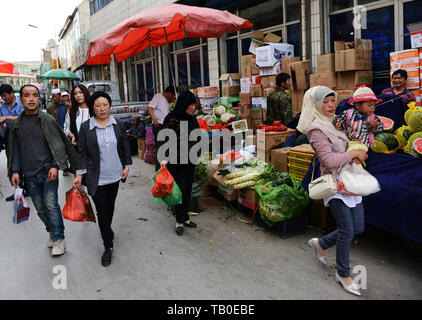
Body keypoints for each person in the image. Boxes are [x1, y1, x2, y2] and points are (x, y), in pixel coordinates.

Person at [297, 86, 368, 297]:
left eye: (332, 100)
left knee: (358, 227)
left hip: (352, 180)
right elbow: (327, 160)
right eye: (325, 102)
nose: (330, 105)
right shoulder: (316, 129)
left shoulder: (337, 122)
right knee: (347, 228)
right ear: (316, 104)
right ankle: (343, 274)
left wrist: (357, 152)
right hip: (335, 184)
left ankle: (322, 243)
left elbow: (349, 144)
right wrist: (352, 153)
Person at [7, 84, 76, 256]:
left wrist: (54, 165)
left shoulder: (47, 120)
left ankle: (59, 239)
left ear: (40, 98)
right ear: (21, 99)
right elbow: (15, 150)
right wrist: (15, 171)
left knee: (51, 206)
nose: (31, 99)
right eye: (27, 95)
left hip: (48, 173)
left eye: (35, 95)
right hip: (29, 175)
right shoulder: (16, 125)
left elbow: (58, 145)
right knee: (40, 208)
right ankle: (52, 232)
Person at [72, 91, 132, 267]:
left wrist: (127, 166)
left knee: (110, 207)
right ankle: (108, 246)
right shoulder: (85, 127)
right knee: (102, 210)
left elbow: (125, 147)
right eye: (98, 105)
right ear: (92, 108)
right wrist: (78, 174)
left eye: (105, 105)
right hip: (95, 177)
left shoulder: (117, 124)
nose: (102, 108)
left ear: (110, 106)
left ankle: (107, 229)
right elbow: (82, 152)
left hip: (114, 175)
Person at [158, 91, 199, 236]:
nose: (193, 107)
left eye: (194, 104)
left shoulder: (192, 118)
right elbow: (163, 139)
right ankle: (179, 221)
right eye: (191, 104)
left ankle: (185, 217)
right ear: (184, 104)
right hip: (175, 160)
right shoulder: (172, 118)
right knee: (180, 190)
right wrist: (163, 157)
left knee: (188, 189)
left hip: (190, 160)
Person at [334, 86, 384, 154]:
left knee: (354, 152)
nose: (372, 108)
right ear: (357, 105)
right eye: (369, 105)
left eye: (373, 105)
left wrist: (375, 126)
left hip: (362, 144)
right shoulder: (348, 113)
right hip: (347, 142)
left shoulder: (373, 117)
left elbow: (380, 129)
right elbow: (339, 118)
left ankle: (356, 160)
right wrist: (338, 123)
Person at [0, 84, 25, 201]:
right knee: (12, 161)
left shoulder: (21, 103)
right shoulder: (2, 107)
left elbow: (23, 117)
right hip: (9, 137)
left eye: (5, 96)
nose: (3, 98)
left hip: (23, 134)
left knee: (25, 161)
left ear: (11, 94)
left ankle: (27, 187)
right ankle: (17, 189)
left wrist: (6, 118)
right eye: (2, 96)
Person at [147, 85, 177, 170]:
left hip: (165, 126)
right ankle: (158, 169)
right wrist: (154, 119)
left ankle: (164, 167)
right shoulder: (158, 96)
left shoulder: (166, 101)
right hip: (158, 126)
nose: (173, 97)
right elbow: (149, 108)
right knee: (160, 148)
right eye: (172, 95)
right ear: (168, 93)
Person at [47, 88, 71, 176]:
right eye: (53, 97)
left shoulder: (68, 106)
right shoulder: (50, 108)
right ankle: (65, 168)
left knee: (70, 148)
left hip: (68, 131)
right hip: (58, 132)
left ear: (60, 96)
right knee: (61, 149)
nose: (54, 98)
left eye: (56, 96)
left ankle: (73, 166)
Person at [64, 85, 91, 149]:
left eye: (80, 92)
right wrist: (72, 135)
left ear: (85, 93)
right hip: (77, 148)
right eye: (75, 94)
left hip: (93, 147)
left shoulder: (93, 110)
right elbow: (66, 128)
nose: (78, 95)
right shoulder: (71, 111)